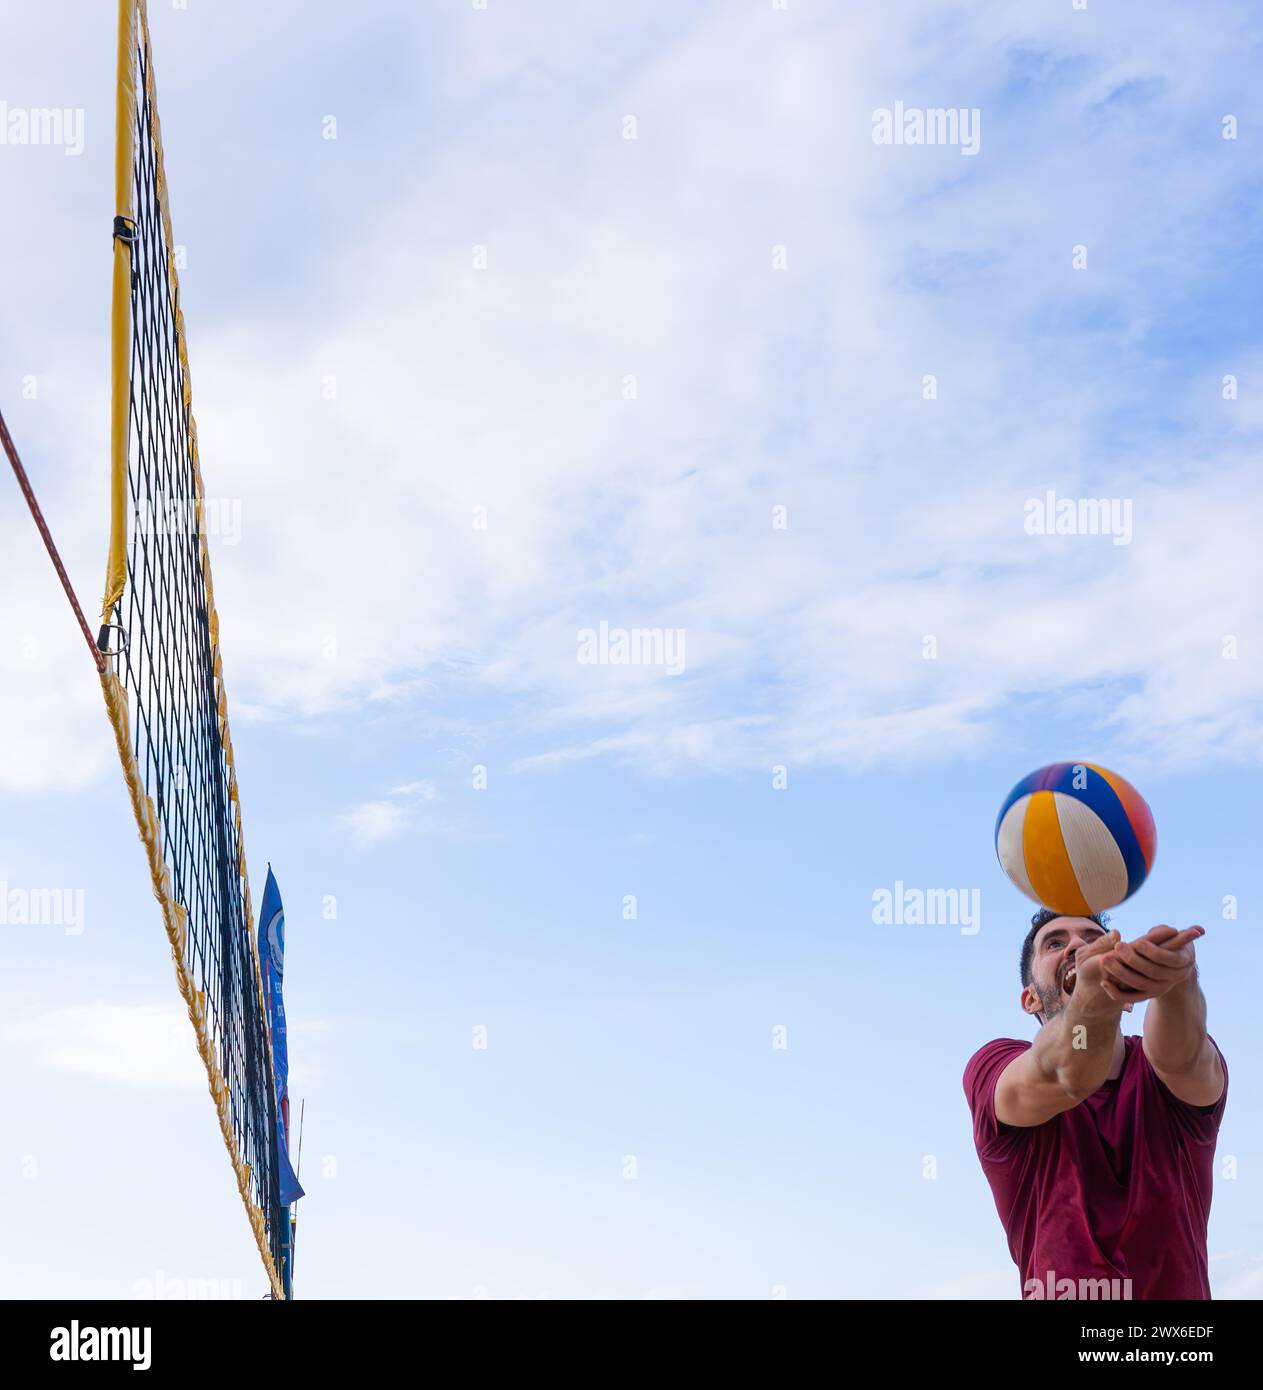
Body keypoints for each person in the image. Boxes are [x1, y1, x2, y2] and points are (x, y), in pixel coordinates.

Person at [963, 910, 1226, 1300]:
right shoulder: (993, 1065)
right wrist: (1096, 994)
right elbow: (1066, 1073)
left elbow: (1181, 1056)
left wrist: (1177, 980)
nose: (1077, 946)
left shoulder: (1160, 1068)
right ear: (1030, 998)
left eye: (1092, 937)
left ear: (1132, 999)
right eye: (1055, 943)